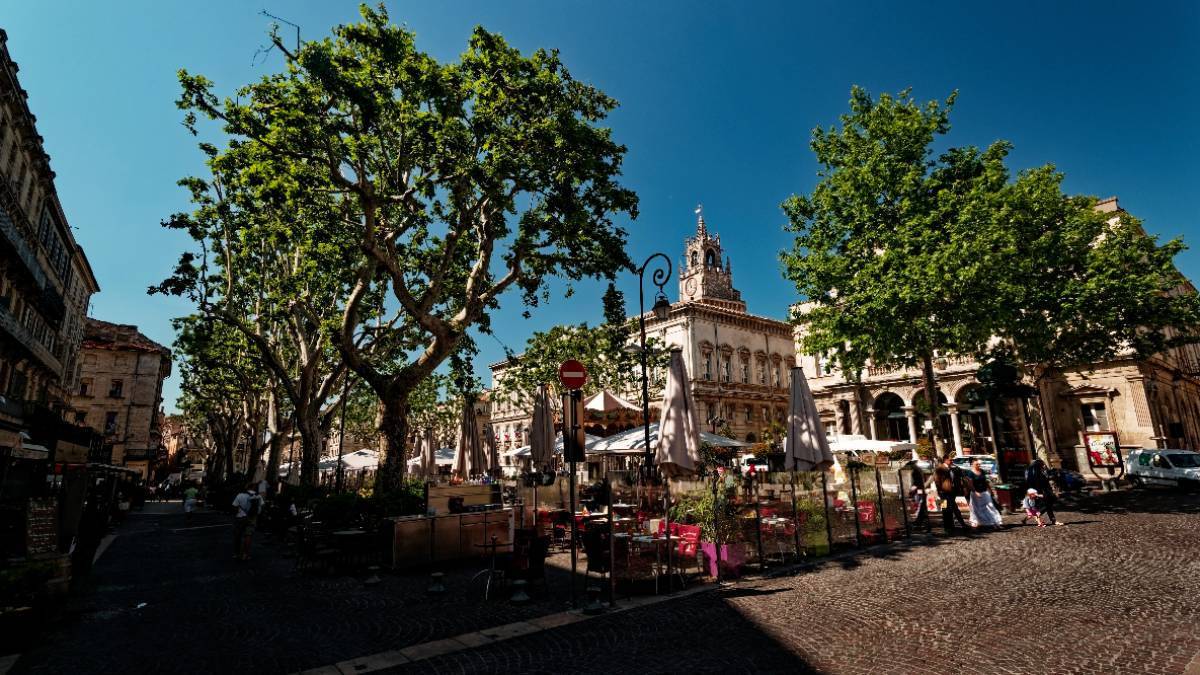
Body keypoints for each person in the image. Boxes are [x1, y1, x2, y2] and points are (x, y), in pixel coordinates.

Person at [933, 454, 968, 534]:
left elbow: (955, 479)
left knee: (954, 509)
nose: (952, 461)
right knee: (945, 510)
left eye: (952, 460)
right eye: (950, 460)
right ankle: (948, 528)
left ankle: (957, 526)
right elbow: (937, 481)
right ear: (945, 460)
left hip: (951, 492)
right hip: (943, 493)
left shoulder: (952, 469)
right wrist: (939, 491)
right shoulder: (940, 468)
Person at [1025, 459, 1064, 526]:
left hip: (1043, 491)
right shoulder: (1037, 473)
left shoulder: (1038, 471)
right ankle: (1040, 514)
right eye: (1042, 464)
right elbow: (1042, 482)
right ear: (1039, 465)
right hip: (1042, 491)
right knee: (1048, 504)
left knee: (1048, 505)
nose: (1044, 465)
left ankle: (1052, 520)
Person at [967, 459, 1004, 530]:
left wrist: (990, 490)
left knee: (991, 506)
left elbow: (986, 481)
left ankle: (996, 522)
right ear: (972, 464)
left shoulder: (982, 471)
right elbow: (970, 484)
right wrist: (975, 492)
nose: (978, 465)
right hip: (976, 493)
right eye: (976, 464)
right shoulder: (970, 473)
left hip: (984, 492)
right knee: (976, 509)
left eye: (978, 464)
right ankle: (976, 523)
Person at [232, 483, 263, 560]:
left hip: (240, 517)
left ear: (247, 487)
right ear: (254, 487)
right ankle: (245, 555)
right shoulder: (258, 496)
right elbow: (262, 506)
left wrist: (237, 514)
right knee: (248, 536)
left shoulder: (240, 495)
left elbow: (234, 506)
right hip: (252, 518)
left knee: (238, 536)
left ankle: (236, 554)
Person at [908, 463, 933, 534]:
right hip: (920, 492)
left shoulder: (915, 472)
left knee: (921, 509)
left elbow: (916, 483)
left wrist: (912, 490)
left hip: (919, 493)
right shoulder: (918, 471)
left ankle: (923, 525)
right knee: (922, 511)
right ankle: (924, 525)